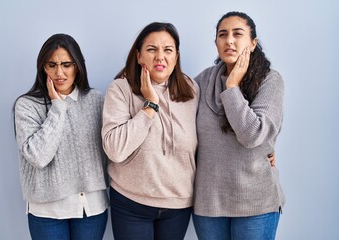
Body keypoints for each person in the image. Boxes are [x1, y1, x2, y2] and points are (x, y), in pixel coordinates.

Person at [101, 22, 199, 240]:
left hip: (178, 204)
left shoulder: (192, 90)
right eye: (151, 49)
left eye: (168, 50)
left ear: (177, 56)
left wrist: (264, 151)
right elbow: (115, 150)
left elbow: (211, 132)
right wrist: (150, 106)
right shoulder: (120, 89)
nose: (160, 57)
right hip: (131, 203)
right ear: (138, 56)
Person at [192, 11, 285, 240]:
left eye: (237, 34)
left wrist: (232, 86)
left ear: (253, 43)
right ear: (216, 43)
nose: (229, 40)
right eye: (222, 35)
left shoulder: (271, 80)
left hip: (256, 204)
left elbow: (252, 135)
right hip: (208, 204)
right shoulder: (202, 81)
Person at [13, 33, 109, 240]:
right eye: (51, 65)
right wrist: (58, 107)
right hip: (47, 212)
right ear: (42, 68)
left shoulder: (96, 100)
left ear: (78, 66)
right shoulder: (27, 105)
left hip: (91, 209)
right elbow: (38, 156)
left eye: (67, 64)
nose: (59, 73)